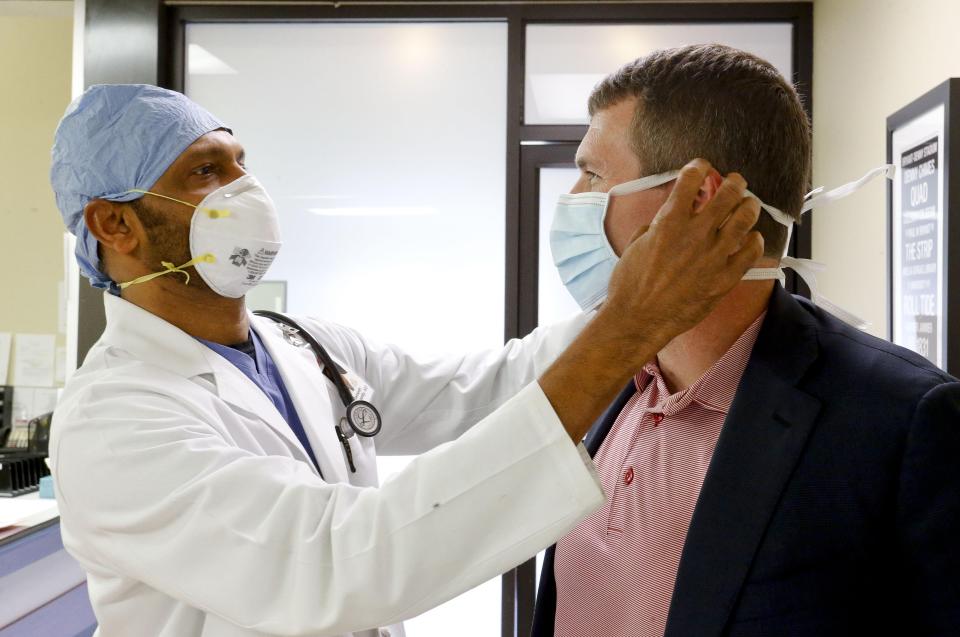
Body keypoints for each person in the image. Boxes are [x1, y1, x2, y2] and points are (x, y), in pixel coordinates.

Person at [48, 84, 763, 637]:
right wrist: (633, 322)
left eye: (241, 163)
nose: (244, 191)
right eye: (206, 171)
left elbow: (491, 387)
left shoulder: (304, 346)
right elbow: (337, 556)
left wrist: (646, 309)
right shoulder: (113, 421)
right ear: (116, 223)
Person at [532, 44, 960, 637]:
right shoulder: (604, 388)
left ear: (699, 201)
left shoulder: (900, 422)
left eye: (593, 173)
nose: (572, 200)